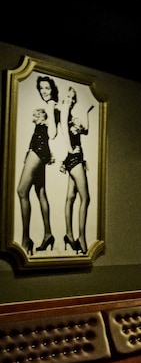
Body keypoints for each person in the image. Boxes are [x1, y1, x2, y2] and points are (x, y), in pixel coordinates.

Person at [15, 76, 59, 255]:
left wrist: (49, 118)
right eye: (41, 88)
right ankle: (48, 234)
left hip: (39, 150)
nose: (44, 91)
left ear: (52, 89)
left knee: (21, 191)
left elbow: (53, 133)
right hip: (39, 149)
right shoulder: (51, 105)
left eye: (47, 88)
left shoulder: (51, 105)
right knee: (40, 192)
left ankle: (26, 239)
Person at [59, 87, 93, 254]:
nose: (71, 100)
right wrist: (71, 149)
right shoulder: (64, 109)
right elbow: (65, 132)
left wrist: (86, 112)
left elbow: (85, 130)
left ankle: (69, 235)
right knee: (85, 198)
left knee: (70, 197)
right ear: (64, 97)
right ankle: (81, 238)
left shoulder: (71, 116)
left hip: (74, 159)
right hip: (74, 158)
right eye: (68, 96)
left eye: (73, 98)